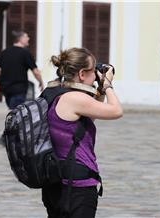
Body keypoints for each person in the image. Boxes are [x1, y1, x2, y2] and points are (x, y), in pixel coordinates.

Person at [42, 47, 122, 217]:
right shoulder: (75, 98)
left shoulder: (53, 93)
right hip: (77, 187)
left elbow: (87, 119)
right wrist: (108, 85)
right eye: (93, 71)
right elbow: (116, 111)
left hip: (55, 182)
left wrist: (99, 89)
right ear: (82, 74)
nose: (96, 75)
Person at [0, 30, 44, 109]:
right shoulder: (25, 53)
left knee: (13, 111)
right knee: (16, 114)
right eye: (26, 37)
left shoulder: (5, 52)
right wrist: (41, 82)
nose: (28, 38)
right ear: (21, 39)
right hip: (19, 89)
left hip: (6, 89)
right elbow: (36, 71)